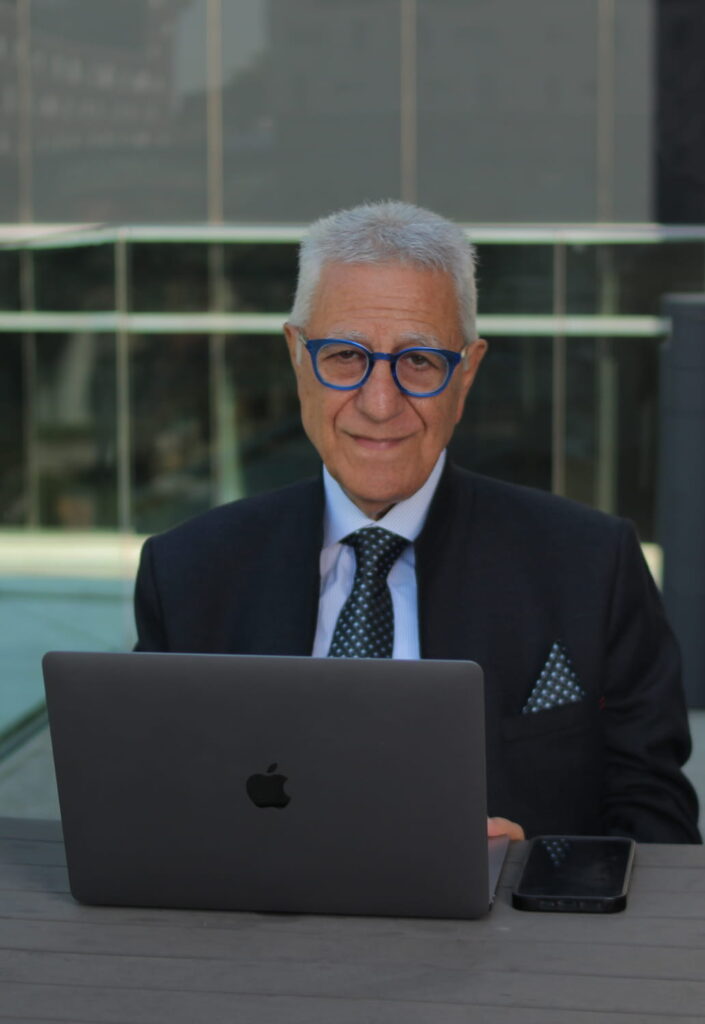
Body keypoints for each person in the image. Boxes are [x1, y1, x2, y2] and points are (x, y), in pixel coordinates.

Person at [134, 200, 700, 844]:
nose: (380, 404)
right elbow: (150, 806)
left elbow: (660, 827)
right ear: (297, 357)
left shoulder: (592, 564)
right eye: (345, 356)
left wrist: (533, 870)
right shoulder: (186, 572)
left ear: (468, 373)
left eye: (420, 361)